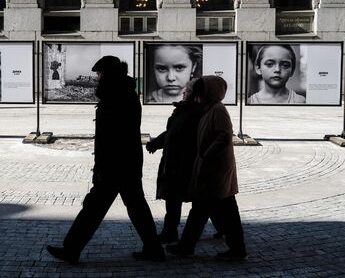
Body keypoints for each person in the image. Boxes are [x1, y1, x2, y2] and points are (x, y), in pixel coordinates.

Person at [47, 56, 164, 264]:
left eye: (100, 73)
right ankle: (154, 249)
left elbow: (112, 138)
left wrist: (100, 168)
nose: (97, 77)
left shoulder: (116, 96)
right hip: (126, 162)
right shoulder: (123, 93)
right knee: (135, 208)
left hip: (115, 165)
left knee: (94, 208)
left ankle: (71, 249)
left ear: (108, 74)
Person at [166, 76, 248, 261]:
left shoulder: (217, 109)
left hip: (216, 171)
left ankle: (236, 250)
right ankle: (187, 247)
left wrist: (206, 154)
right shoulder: (208, 109)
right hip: (211, 170)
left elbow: (224, 135)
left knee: (218, 212)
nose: (197, 95)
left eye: (201, 91)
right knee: (203, 210)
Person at [146, 78, 203, 243]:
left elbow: (177, 135)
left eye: (188, 91)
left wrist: (156, 144)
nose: (184, 93)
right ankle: (170, 231)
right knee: (174, 199)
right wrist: (156, 143)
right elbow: (171, 133)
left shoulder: (193, 112)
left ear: (193, 94)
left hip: (182, 162)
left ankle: (171, 232)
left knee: (177, 198)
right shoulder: (185, 110)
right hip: (175, 161)